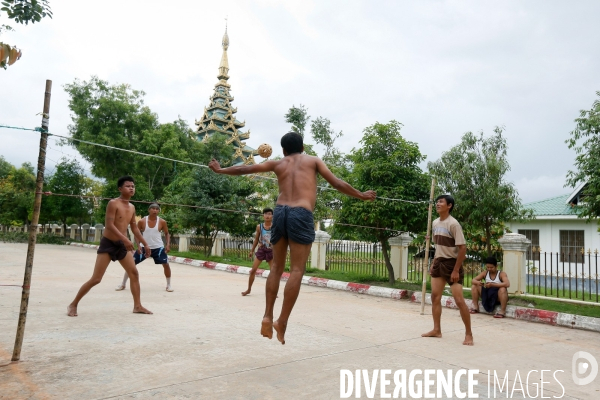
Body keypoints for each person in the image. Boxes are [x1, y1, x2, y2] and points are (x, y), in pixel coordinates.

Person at [209, 132, 376, 344]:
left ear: (284, 150)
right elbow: (336, 183)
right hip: (301, 212)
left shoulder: (277, 163)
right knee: (296, 270)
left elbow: (245, 169)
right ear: (303, 148)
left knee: (276, 268)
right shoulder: (313, 161)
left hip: (280, 212)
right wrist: (361, 194)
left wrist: (220, 170)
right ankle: (282, 321)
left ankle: (267, 315)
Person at [67, 176, 153, 316]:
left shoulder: (132, 207)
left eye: (133, 186)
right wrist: (125, 239)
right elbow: (109, 225)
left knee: (134, 274)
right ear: (120, 189)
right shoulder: (113, 203)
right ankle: (73, 304)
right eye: (127, 186)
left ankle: (137, 306)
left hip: (121, 245)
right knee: (96, 279)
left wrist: (145, 244)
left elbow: (134, 228)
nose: (131, 188)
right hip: (108, 244)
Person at [421, 194, 473, 345]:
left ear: (449, 205)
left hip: (452, 264)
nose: (437, 204)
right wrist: (434, 262)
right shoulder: (436, 222)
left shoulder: (454, 224)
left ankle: (469, 334)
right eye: (437, 201)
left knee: (459, 300)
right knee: (435, 297)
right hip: (439, 262)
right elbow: (438, 246)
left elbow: (462, 248)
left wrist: (456, 270)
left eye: (441, 202)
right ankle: (436, 330)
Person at [115, 203, 173, 292]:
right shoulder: (142, 221)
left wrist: (168, 244)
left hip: (158, 247)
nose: (155, 210)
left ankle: (168, 285)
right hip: (144, 247)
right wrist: (138, 246)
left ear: (159, 211)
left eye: (157, 209)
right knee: (131, 264)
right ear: (149, 210)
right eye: (153, 208)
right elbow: (137, 234)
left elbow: (166, 233)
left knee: (166, 265)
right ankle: (123, 284)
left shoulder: (162, 222)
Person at [242, 208, 274, 296]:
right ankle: (248, 289)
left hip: (271, 251)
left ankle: (273, 291)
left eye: (269, 214)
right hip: (261, 250)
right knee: (253, 270)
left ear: (272, 216)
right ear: (263, 215)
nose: (267, 216)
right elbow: (256, 239)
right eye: (266, 214)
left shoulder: (274, 226)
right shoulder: (259, 226)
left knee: (273, 272)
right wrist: (252, 251)